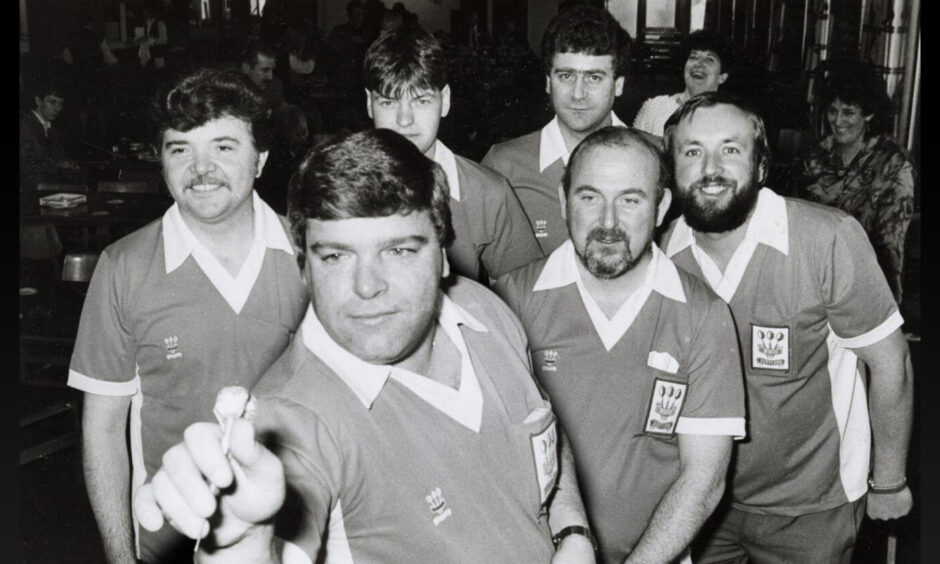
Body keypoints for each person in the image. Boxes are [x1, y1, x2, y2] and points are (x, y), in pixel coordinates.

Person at [132, 128, 596, 563]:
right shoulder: (292, 419)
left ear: (442, 255)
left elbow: (541, 423)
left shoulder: (483, 311)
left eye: (398, 251)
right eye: (336, 256)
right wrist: (242, 542)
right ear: (304, 269)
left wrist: (571, 531)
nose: (367, 286)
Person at [67, 67, 309, 564]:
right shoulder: (124, 267)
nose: (201, 169)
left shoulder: (309, 254)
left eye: (223, 146)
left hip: (295, 538)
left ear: (261, 158)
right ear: (161, 161)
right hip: (168, 539)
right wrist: (120, 556)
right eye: (181, 149)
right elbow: (104, 428)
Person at [659, 91, 913, 563]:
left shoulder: (826, 238)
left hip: (812, 505)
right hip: (701, 501)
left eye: (730, 149)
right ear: (672, 170)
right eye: (692, 151)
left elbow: (890, 360)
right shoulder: (661, 253)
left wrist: (890, 479)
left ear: (760, 167)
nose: (710, 168)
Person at [496, 126, 745, 564]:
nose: (608, 223)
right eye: (590, 197)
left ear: (662, 205)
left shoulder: (702, 315)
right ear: (562, 198)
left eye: (630, 200)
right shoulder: (509, 302)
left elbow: (704, 480)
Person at [362, 26, 543, 282]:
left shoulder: (487, 193)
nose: (404, 120)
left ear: (444, 100)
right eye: (389, 103)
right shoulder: (335, 187)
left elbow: (528, 294)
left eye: (421, 101)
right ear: (370, 103)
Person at [482, 5, 632, 255]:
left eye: (594, 77)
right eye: (566, 76)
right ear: (548, 82)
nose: (578, 94)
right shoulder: (504, 166)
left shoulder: (658, 157)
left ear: (618, 85)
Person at [799, 64, 915, 304]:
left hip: (866, 287)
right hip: (813, 282)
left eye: (849, 112)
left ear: (869, 114)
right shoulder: (815, 157)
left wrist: (889, 308)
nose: (838, 121)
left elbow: (891, 245)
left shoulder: (892, 163)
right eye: (832, 111)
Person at [633, 29, 732, 138]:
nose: (698, 64)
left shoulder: (728, 118)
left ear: (722, 77)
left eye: (709, 59)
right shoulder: (654, 108)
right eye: (693, 57)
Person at [19, 77, 82, 192]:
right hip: (30, 191)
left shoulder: (50, 127)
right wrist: (58, 164)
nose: (58, 108)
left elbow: (58, 158)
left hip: (49, 187)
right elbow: (23, 163)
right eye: (52, 102)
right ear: (38, 101)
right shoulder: (24, 125)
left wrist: (68, 163)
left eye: (61, 104)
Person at [240, 39, 286, 114]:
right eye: (265, 70)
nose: (270, 77)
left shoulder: (275, 86)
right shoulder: (233, 89)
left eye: (272, 70)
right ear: (246, 68)